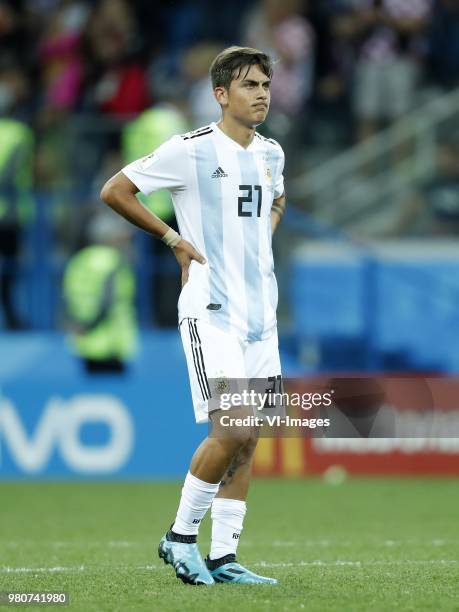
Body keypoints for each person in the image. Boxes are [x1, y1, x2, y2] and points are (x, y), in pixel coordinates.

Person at [100, 46, 286, 586]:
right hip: (212, 310)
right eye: (250, 85)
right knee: (231, 428)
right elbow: (116, 190)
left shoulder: (272, 153)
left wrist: (258, 244)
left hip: (262, 315)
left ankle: (225, 558)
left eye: (266, 85)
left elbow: (276, 201)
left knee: (249, 438)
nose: (262, 95)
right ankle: (179, 538)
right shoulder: (191, 150)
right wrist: (172, 238)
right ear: (221, 94)